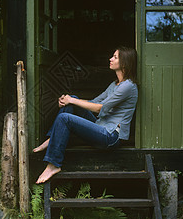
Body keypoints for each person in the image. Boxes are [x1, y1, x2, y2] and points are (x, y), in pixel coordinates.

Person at [34, 46, 138, 184]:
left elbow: (99, 109)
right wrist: (68, 101)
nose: (110, 59)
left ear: (124, 63)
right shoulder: (115, 84)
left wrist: (72, 100)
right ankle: (53, 139)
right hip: (100, 127)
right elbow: (93, 102)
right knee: (73, 100)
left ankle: (53, 165)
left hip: (110, 136)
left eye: (115, 57)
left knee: (65, 117)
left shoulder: (128, 86)